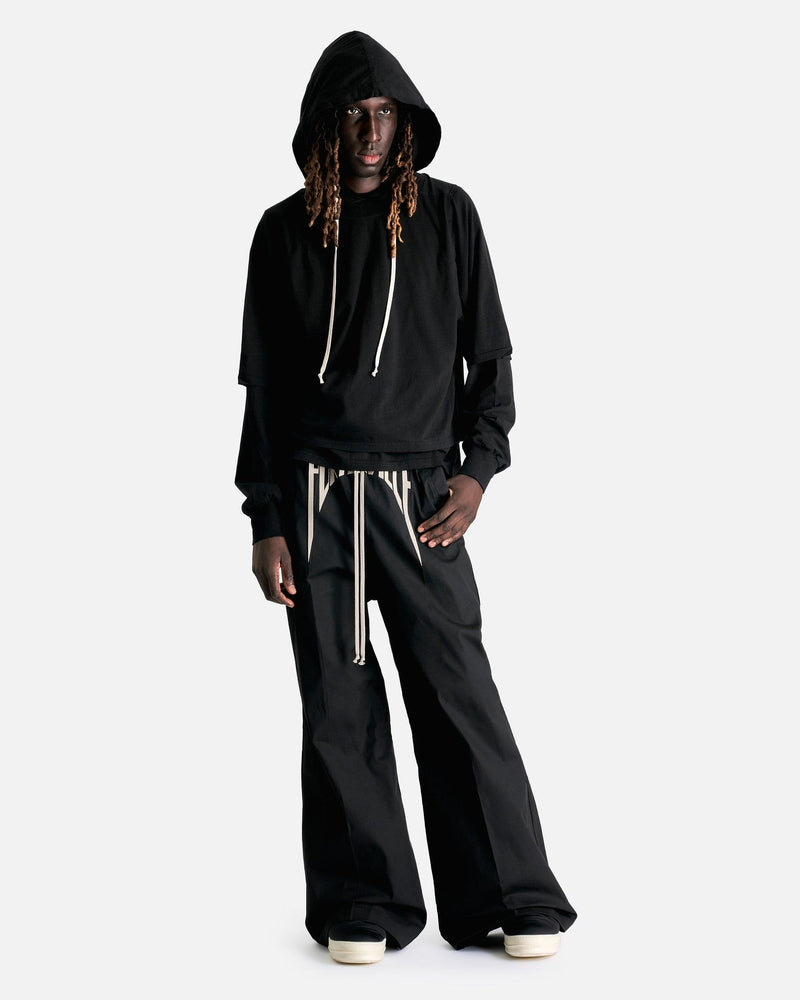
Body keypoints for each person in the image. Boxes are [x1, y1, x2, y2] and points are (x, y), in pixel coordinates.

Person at [235, 30, 577, 965]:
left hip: (421, 495)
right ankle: (364, 900)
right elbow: (264, 393)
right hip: (316, 502)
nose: (371, 131)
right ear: (325, 126)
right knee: (337, 708)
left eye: (385, 113)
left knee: (458, 692)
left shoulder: (449, 217)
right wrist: (266, 518)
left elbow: (490, 361)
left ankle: (511, 893)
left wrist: (476, 472)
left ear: (407, 122)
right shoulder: (281, 232)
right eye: (353, 114)